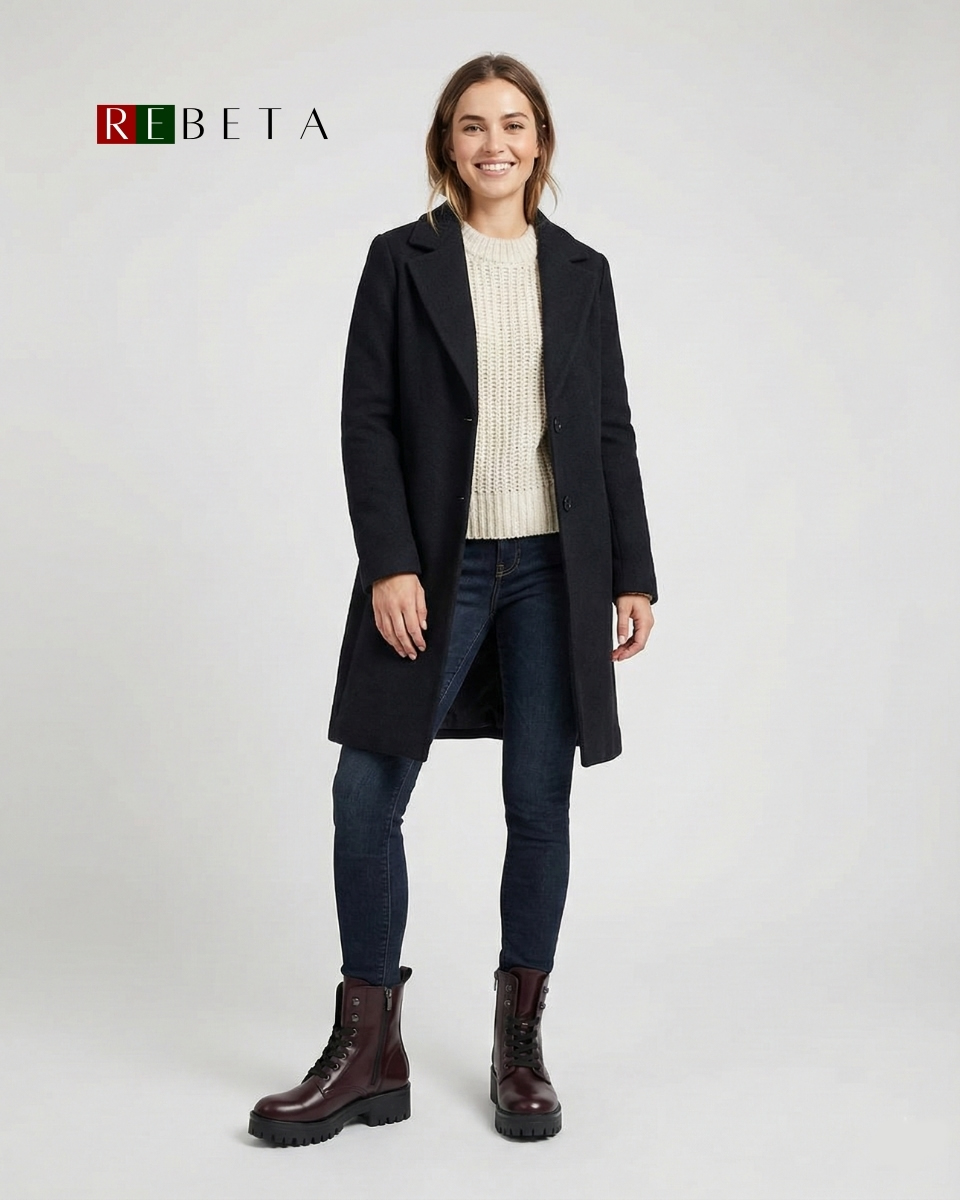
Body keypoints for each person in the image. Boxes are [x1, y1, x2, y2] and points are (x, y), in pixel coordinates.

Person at [248, 52, 657, 1147]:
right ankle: (367, 1050)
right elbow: (367, 418)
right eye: (473, 126)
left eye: (513, 124)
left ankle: (519, 1046)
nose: (494, 144)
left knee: (540, 803)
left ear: (540, 141)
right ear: (446, 144)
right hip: (438, 566)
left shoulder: (582, 272)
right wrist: (390, 562)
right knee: (366, 791)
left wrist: (632, 571)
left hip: (555, 569)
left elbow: (609, 428)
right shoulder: (402, 259)